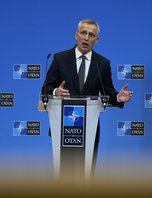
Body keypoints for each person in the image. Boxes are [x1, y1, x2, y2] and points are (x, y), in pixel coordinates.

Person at [41, 19, 133, 176]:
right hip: (63, 128)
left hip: (89, 129)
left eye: (91, 35)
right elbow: (46, 89)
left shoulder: (102, 64)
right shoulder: (60, 59)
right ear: (76, 35)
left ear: (96, 40)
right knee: (64, 175)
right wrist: (56, 91)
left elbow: (107, 92)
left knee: (86, 176)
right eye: (83, 33)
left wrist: (117, 97)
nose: (86, 37)